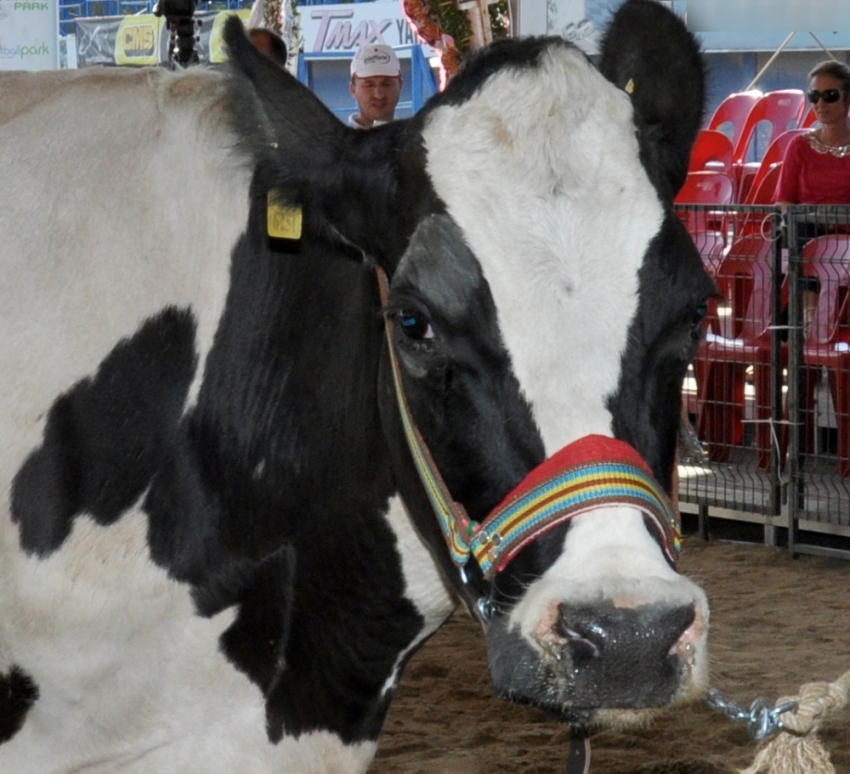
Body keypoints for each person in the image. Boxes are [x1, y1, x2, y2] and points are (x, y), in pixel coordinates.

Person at [776, 61, 850, 331]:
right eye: (814, 96)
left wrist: (835, 222)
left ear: (847, 100)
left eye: (830, 95)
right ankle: (809, 312)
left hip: (846, 234)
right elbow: (784, 199)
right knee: (798, 231)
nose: (821, 103)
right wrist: (794, 221)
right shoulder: (799, 146)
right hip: (808, 231)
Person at [348, 44, 402, 129]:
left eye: (386, 84)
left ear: (400, 85)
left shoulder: (416, 139)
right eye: (369, 85)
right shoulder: (335, 141)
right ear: (353, 89)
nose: (379, 95)